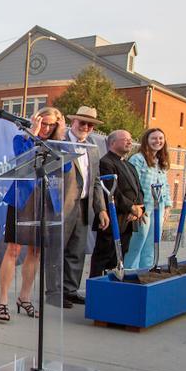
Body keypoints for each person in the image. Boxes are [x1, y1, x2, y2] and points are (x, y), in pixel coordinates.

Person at [0, 107, 66, 321]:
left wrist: (60, 137)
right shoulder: (22, 139)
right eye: (43, 123)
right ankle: (3, 300)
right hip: (22, 199)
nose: (46, 128)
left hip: (45, 201)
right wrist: (33, 132)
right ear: (35, 121)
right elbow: (21, 158)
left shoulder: (57, 145)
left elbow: (67, 167)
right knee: (14, 250)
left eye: (51, 125)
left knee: (35, 252)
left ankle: (24, 297)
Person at [62, 106, 109, 307]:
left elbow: (96, 180)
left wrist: (102, 209)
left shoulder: (93, 147)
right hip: (62, 206)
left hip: (84, 205)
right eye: (82, 122)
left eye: (90, 124)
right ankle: (54, 291)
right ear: (72, 122)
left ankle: (70, 290)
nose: (86, 127)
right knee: (58, 250)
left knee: (77, 250)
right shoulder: (59, 143)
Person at [89, 130, 144, 277]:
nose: (129, 142)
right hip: (111, 218)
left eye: (130, 139)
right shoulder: (106, 163)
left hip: (128, 220)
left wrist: (139, 208)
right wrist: (131, 208)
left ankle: (114, 285)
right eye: (125, 139)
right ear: (112, 142)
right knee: (105, 255)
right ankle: (97, 287)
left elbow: (138, 189)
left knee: (120, 256)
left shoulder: (129, 165)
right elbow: (112, 191)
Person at [125, 128, 172, 269]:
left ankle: (147, 271)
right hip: (143, 207)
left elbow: (166, 184)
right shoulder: (138, 159)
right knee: (138, 241)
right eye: (154, 138)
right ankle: (130, 272)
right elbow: (132, 183)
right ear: (146, 140)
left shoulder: (160, 161)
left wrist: (168, 205)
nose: (157, 141)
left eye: (160, 138)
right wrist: (136, 206)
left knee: (152, 242)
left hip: (159, 206)